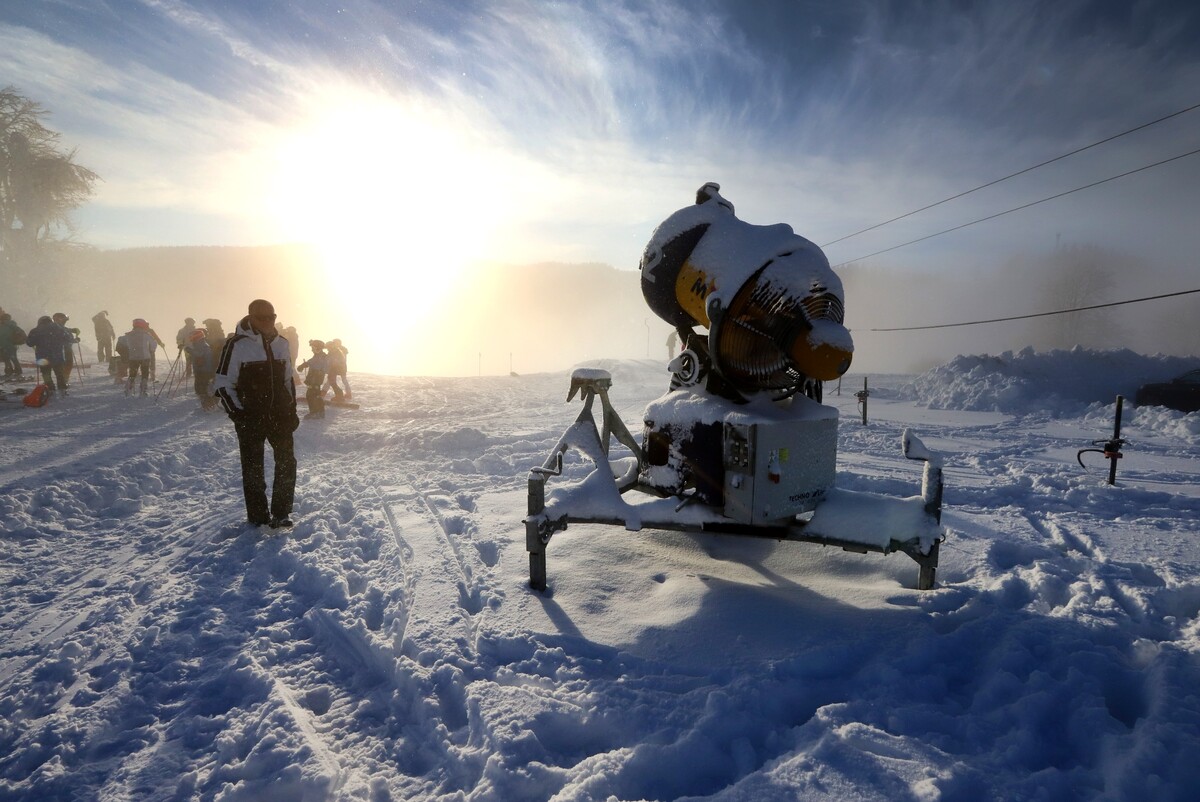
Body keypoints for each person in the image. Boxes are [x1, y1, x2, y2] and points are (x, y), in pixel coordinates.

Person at [214, 299, 300, 529]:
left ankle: (281, 513)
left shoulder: (282, 343)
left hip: (280, 417)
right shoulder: (237, 345)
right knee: (253, 470)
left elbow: (287, 381)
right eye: (261, 317)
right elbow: (222, 384)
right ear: (250, 317)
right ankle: (258, 517)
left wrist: (291, 410)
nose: (267, 321)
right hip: (250, 419)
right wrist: (239, 415)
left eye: (271, 317)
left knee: (286, 464)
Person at [26, 315, 71, 396]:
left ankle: (50, 389)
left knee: (46, 374)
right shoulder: (58, 328)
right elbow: (67, 338)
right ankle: (62, 389)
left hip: (42, 357)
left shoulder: (35, 330)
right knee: (59, 374)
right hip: (57, 356)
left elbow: (29, 343)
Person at [122, 318, 158, 397]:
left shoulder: (128, 335)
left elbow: (123, 345)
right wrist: (151, 350)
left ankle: (128, 389)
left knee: (132, 374)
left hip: (133, 357)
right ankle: (143, 390)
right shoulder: (146, 334)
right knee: (145, 373)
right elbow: (154, 343)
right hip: (145, 357)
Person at [185, 328, 217, 410]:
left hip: (204, 370)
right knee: (200, 389)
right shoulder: (199, 344)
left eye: (192, 337)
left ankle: (209, 405)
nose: (191, 339)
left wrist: (190, 350)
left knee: (202, 389)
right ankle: (207, 404)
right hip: (201, 370)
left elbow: (199, 354)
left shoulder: (203, 345)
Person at [297, 339, 328, 419]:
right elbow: (312, 361)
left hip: (316, 378)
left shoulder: (323, 356)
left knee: (311, 395)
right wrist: (305, 364)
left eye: (313, 348)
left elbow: (320, 365)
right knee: (315, 394)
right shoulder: (318, 355)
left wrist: (307, 364)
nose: (312, 350)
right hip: (313, 378)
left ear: (318, 348)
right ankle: (320, 411)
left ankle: (315, 412)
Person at [52, 313, 80, 388]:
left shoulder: (54, 327)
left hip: (59, 349)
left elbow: (64, 330)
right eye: (64, 320)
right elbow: (66, 337)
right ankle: (64, 381)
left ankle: (63, 380)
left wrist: (72, 330)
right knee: (67, 364)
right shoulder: (59, 328)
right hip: (64, 349)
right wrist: (75, 340)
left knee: (64, 365)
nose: (65, 322)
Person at [0, 312, 25, 379]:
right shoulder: (6, 325)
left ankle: (14, 372)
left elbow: (19, 332)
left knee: (10, 359)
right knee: (8, 359)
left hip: (8, 345)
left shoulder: (11, 325)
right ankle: (12, 371)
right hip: (5, 345)